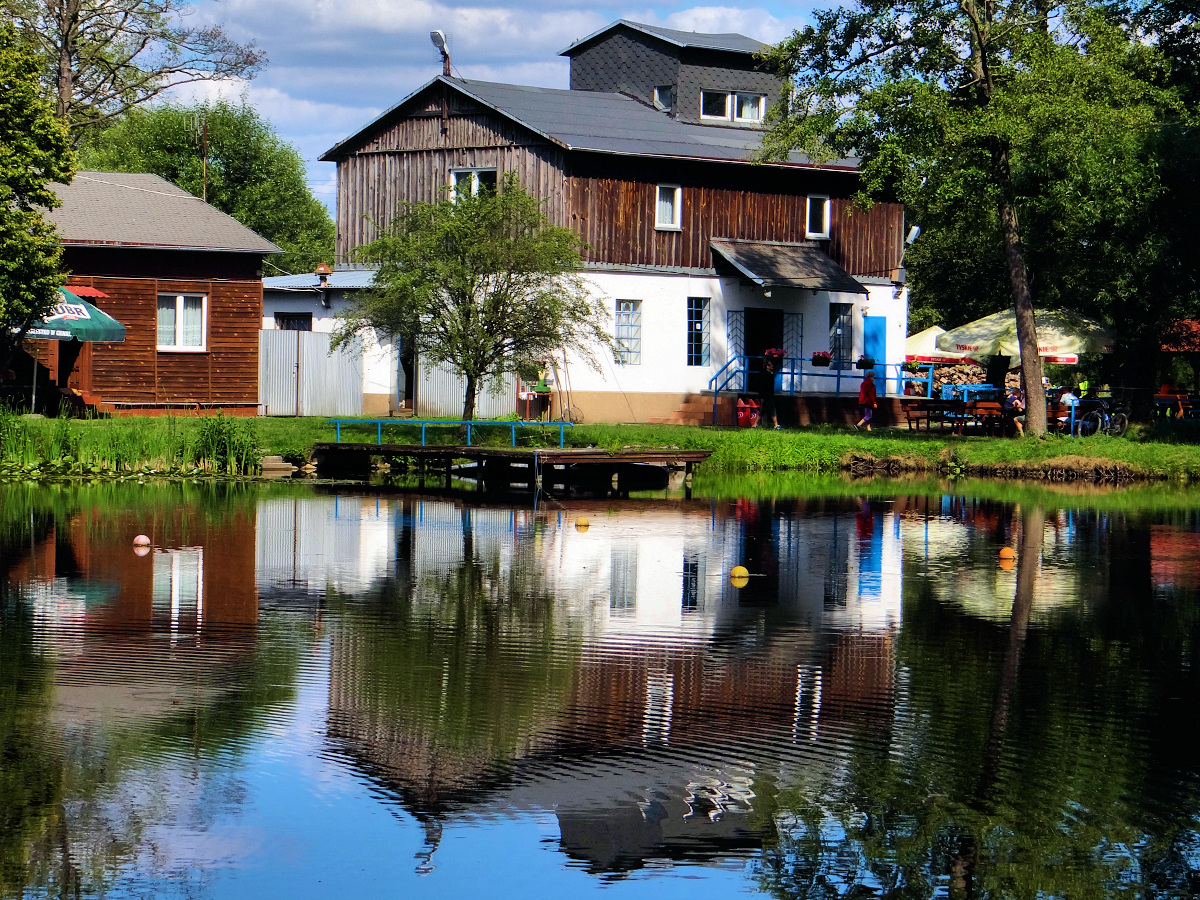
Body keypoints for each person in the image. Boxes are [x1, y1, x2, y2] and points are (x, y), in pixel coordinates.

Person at [757, 354, 780, 430]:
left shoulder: (768, 374)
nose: (772, 366)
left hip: (767, 395)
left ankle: (755, 425)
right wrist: (762, 396)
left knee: (762, 410)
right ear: (767, 366)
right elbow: (763, 386)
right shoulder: (765, 375)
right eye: (770, 365)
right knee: (772, 409)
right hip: (767, 395)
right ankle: (776, 425)